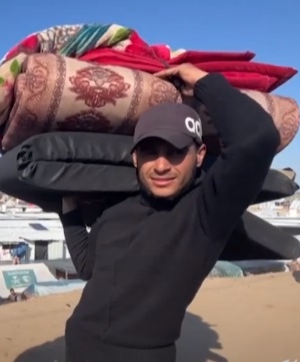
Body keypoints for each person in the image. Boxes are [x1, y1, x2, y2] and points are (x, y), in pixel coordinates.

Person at [58, 64, 281, 361]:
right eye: (150, 152)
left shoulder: (206, 212)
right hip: (78, 347)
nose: (161, 166)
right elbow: (88, 268)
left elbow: (258, 138)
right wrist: (68, 213)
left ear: (199, 155)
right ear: (135, 157)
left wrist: (201, 82)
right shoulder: (115, 210)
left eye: (176, 151)